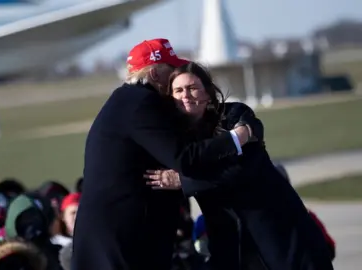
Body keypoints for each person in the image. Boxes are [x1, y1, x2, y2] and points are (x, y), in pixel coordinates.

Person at [72, 38, 252, 270]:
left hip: (113, 238)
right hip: (123, 242)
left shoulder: (126, 100)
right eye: (172, 70)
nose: (176, 75)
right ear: (156, 74)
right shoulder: (142, 104)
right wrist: (237, 138)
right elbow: (184, 158)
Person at [145, 62, 334, 269]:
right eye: (178, 90)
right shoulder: (178, 141)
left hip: (280, 235)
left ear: (208, 93)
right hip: (230, 247)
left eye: (192, 88)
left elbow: (241, 170)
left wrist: (184, 181)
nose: (185, 95)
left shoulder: (234, 115)